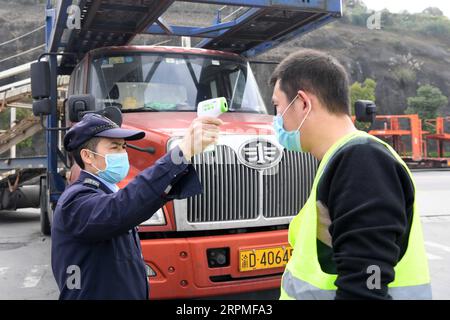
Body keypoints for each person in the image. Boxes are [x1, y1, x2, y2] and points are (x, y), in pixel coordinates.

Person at [270, 49, 431, 300]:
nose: (276, 119)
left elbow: (367, 286)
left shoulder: (361, 162)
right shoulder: (343, 158)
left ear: (302, 103)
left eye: (277, 106)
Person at [51, 113, 222, 300]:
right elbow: (124, 205)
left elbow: (132, 203)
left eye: (124, 147)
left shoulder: (106, 194)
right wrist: (181, 153)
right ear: (88, 156)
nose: (123, 153)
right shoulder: (75, 200)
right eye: (115, 147)